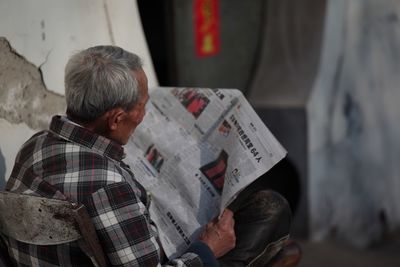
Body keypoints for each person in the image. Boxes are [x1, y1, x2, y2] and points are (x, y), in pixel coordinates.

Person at [4, 45, 293, 266]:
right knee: (271, 210)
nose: (144, 116)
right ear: (115, 119)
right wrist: (208, 249)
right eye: (141, 107)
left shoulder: (35, 146)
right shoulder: (108, 185)